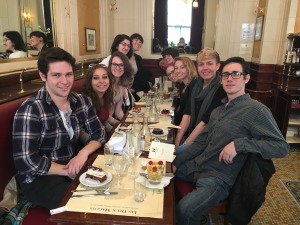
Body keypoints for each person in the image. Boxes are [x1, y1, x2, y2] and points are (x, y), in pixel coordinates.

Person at [172, 56, 289, 225]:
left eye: (235, 74)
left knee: (184, 209)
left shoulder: (255, 110)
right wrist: (177, 161)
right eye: (225, 75)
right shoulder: (218, 110)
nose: (229, 78)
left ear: (246, 78)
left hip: (217, 178)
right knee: (161, 171)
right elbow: (200, 142)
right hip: (197, 166)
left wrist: (239, 144)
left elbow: (281, 147)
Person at [12, 47, 106, 209]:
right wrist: (67, 170)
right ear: (43, 76)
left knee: (110, 191)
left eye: (68, 74)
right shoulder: (31, 109)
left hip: (72, 163)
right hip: (40, 178)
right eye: (56, 75)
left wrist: (83, 154)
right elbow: (25, 161)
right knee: (87, 206)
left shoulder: (81, 101)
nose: (65, 81)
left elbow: (99, 132)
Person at [175, 48, 227, 152]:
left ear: (218, 66)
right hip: (190, 134)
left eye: (209, 64)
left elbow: (205, 122)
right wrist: (176, 144)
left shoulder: (222, 88)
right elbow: (187, 115)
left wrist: (184, 147)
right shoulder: (195, 83)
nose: (205, 68)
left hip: (206, 140)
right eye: (201, 64)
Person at [82, 64, 116, 134]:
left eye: (104, 77)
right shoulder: (87, 101)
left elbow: (104, 122)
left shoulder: (105, 96)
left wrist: (119, 128)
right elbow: (85, 133)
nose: (101, 81)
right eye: (96, 78)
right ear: (90, 81)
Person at [172, 57, 198, 127]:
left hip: (189, 129)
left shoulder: (194, 85)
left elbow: (188, 115)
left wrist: (178, 137)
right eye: (176, 68)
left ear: (189, 68)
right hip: (179, 124)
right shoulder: (183, 84)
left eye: (182, 67)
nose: (178, 71)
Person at [108, 51, 134, 121]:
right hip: (103, 124)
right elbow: (103, 115)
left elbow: (118, 111)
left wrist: (128, 122)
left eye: (121, 65)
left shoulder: (121, 84)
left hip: (113, 121)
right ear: (110, 65)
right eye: (114, 64)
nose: (117, 67)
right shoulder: (106, 83)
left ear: (125, 67)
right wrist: (117, 124)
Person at [130, 33, 152, 101]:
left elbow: (138, 76)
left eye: (140, 42)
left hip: (134, 88)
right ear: (130, 41)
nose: (138, 43)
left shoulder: (138, 58)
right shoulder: (123, 57)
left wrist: (135, 89)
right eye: (136, 40)